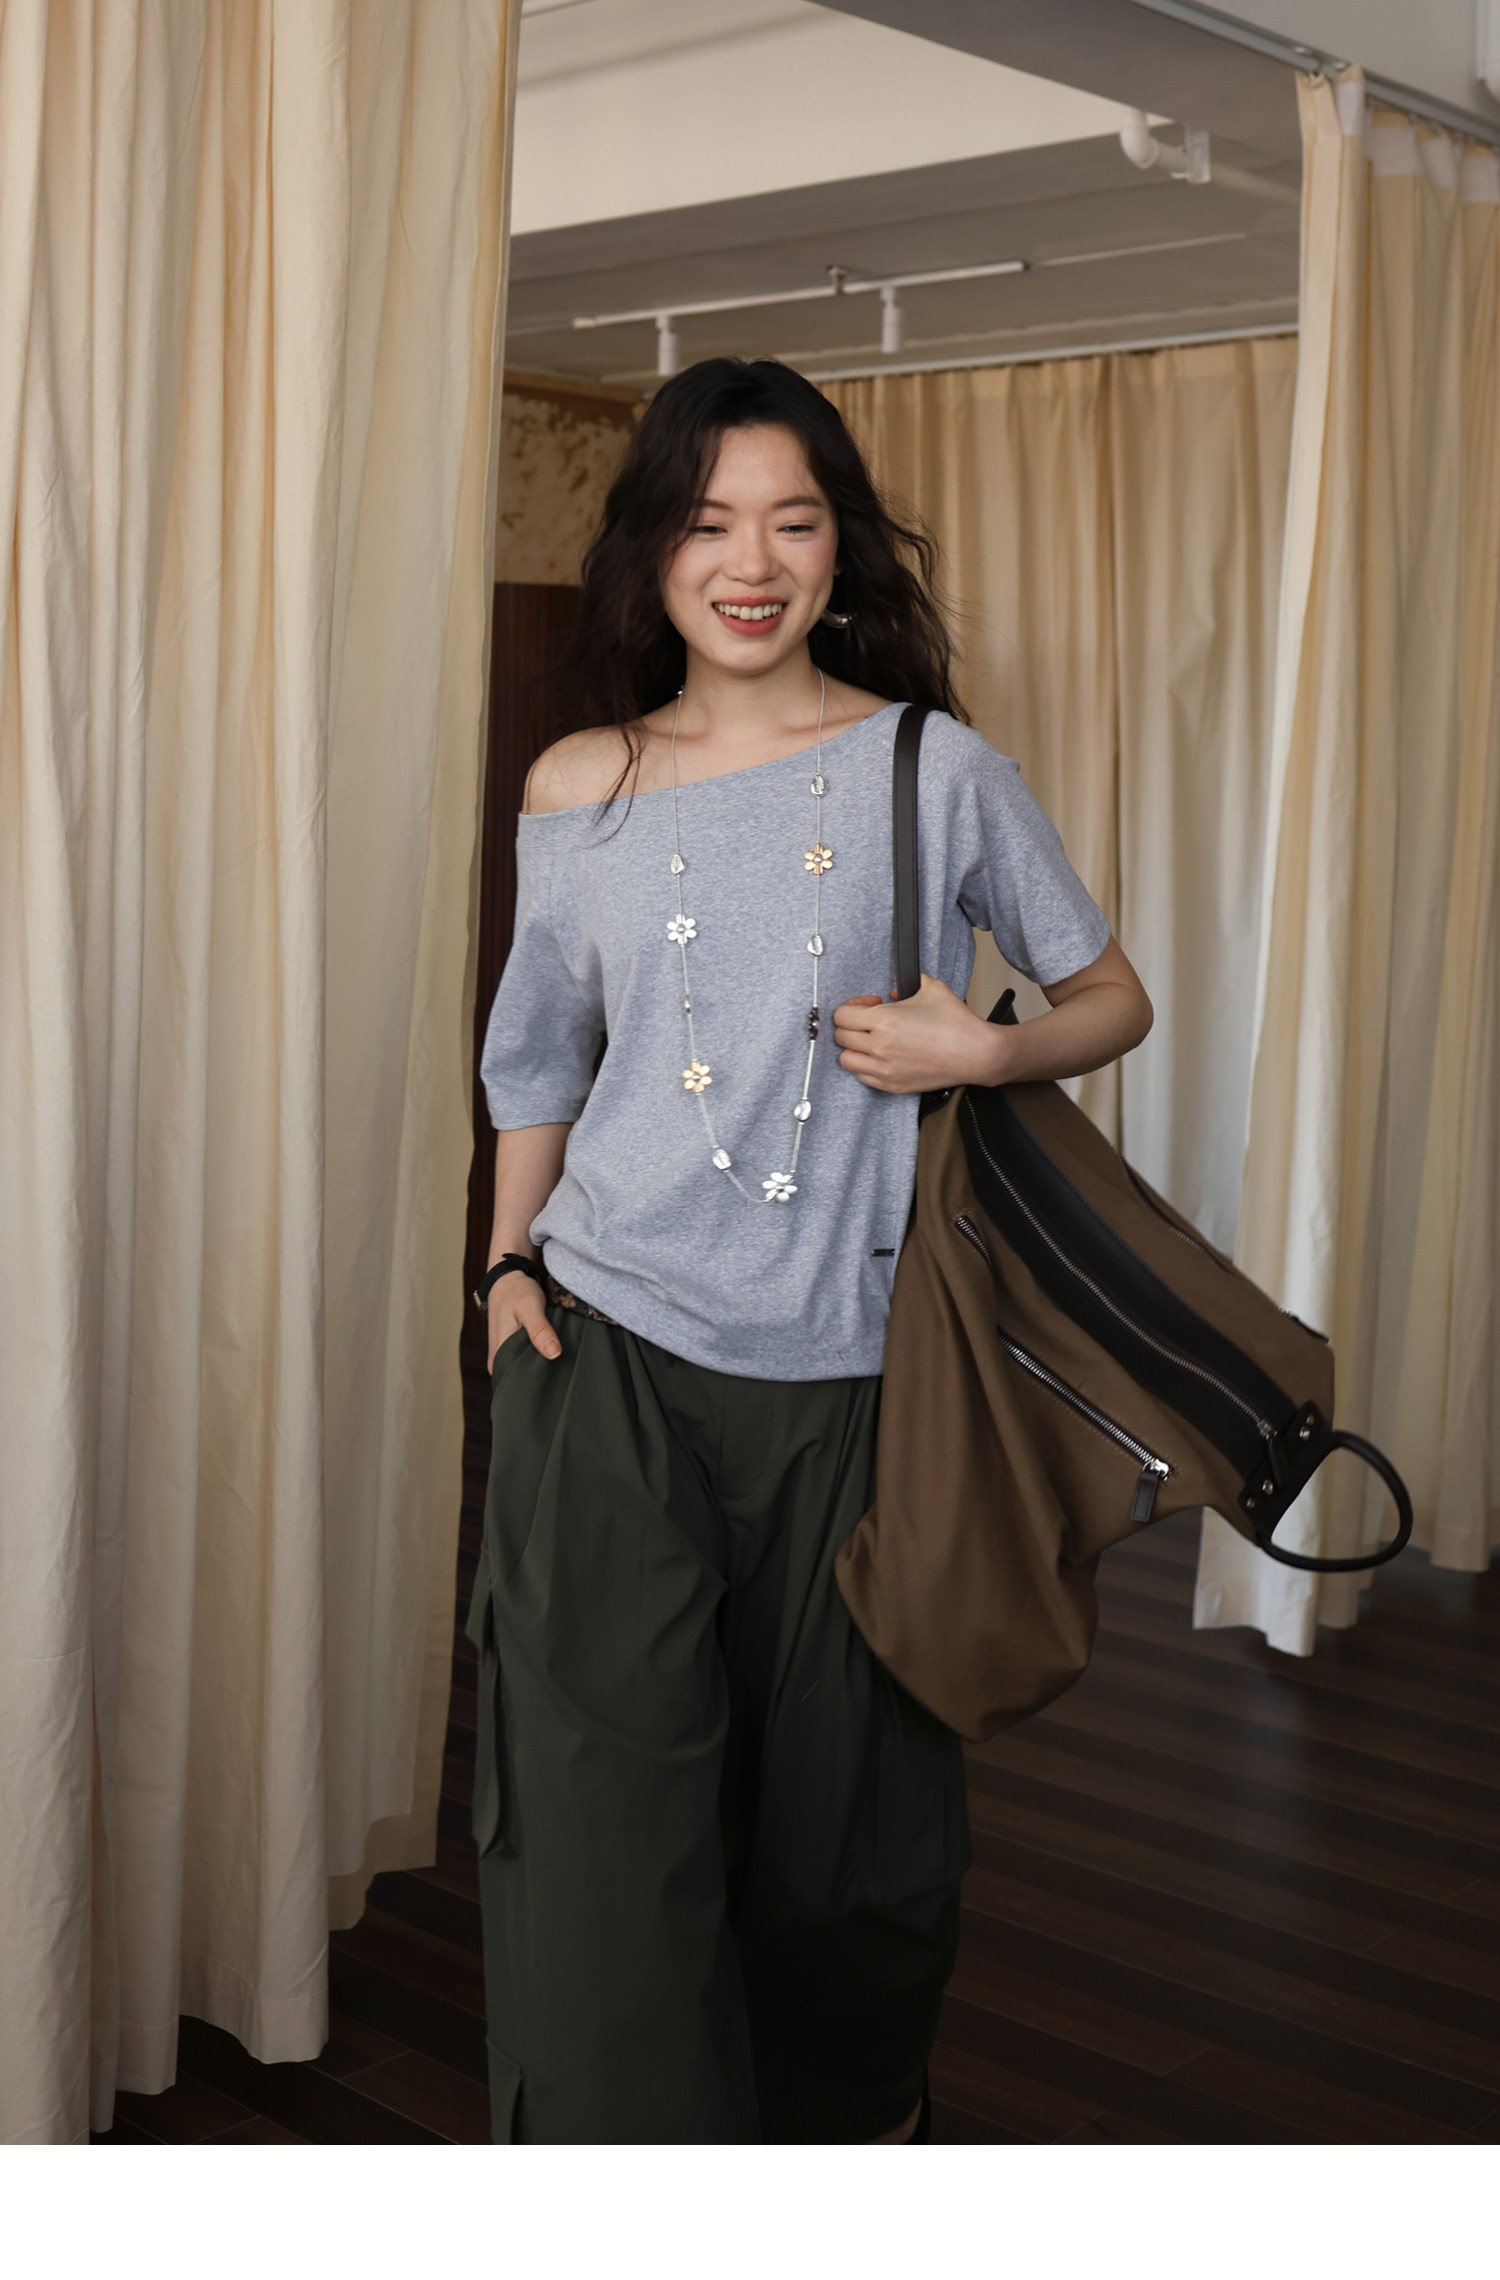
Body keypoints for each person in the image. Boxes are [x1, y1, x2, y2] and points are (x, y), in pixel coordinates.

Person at [469, 357, 1152, 2144]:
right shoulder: (578, 785)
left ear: (840, 548)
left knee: (853, 1866)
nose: (751, 563)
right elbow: (537, 1061)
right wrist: (508, 1271)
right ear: (655, 551)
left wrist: (981, 1049)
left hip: (858, 1384)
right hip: (603, 1359)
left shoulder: (937, 772)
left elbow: (1110, 996)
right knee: (601, 1854)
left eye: (792, 520)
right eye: (709, 523)